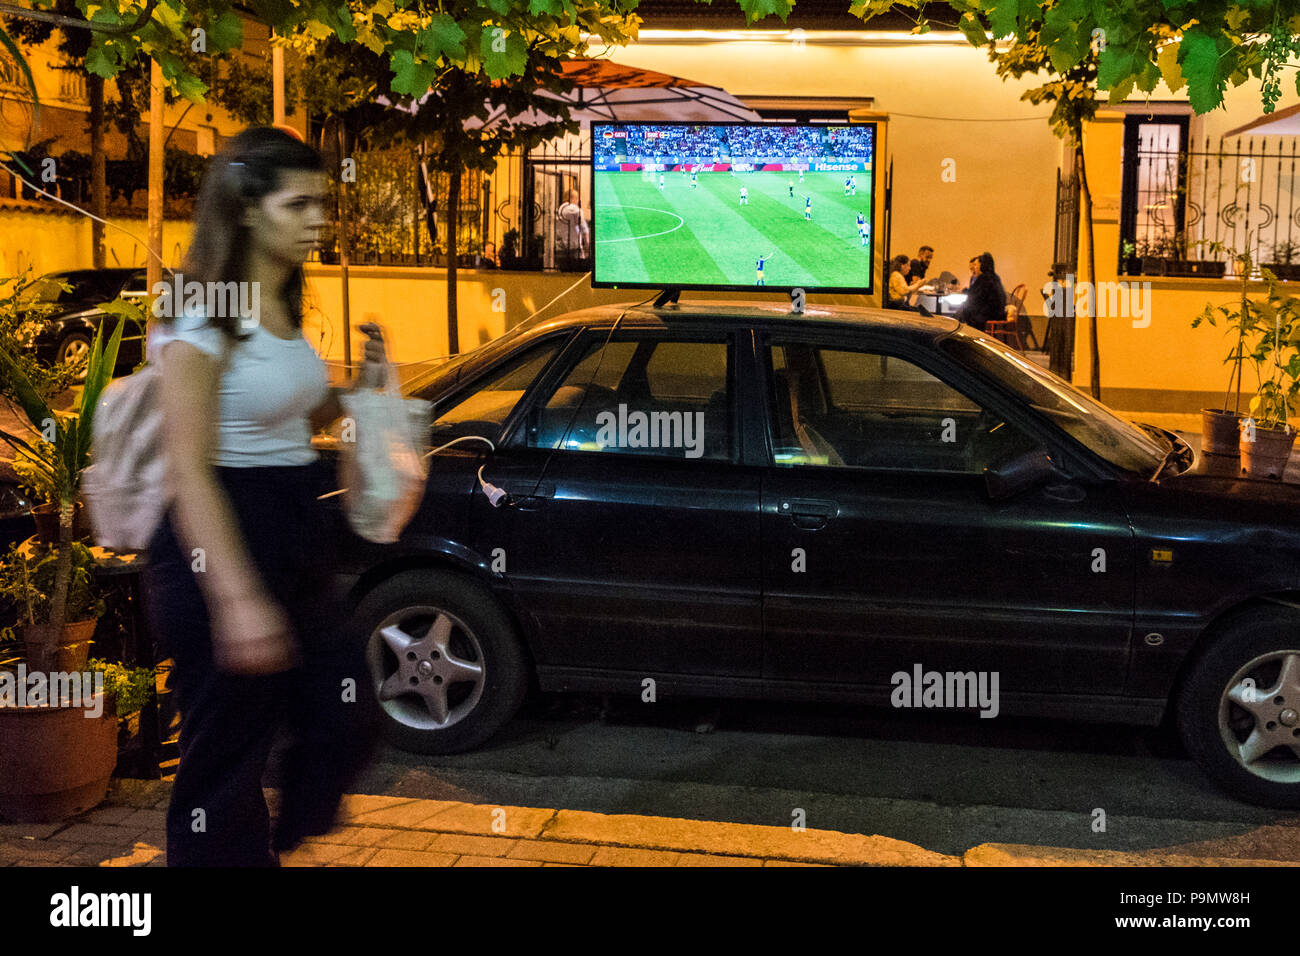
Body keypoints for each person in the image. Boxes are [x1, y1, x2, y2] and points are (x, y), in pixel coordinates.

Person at [144, 126, 384, 866]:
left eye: (323, 203)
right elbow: (189, 467)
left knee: (346, 712)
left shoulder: (278, 300)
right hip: (219, 539)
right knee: (225, 764)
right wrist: (235, 599)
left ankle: (271, 842)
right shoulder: (199, 311)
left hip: (292, 534)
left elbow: (285, 415)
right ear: (247, 208)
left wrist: (357, 394)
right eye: (299, 203)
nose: (319, 219)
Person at [955, 251, 1007, 332]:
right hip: (998, 311)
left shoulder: (984, 278)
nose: (974, 267)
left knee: (964, 310)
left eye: (976, 265)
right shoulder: (994, 277)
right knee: (964, 308)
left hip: (991, 313)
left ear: (982, 265)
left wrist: (965, 292)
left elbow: (975, 296)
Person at [556, 188, 590, 272]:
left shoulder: (559, 210)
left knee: (563, 275)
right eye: (577, 198)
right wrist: (587, 245)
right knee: (577, 274)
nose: (578, 201)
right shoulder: (576, 210)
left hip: (560, 248)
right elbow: (584, 229)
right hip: (574, 248)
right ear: (571, 198)